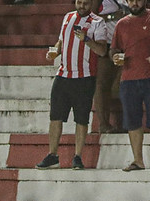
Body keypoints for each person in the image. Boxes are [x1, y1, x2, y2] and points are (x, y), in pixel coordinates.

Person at [36, 0, 106, 170]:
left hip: (84, 77)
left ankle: (77, 156)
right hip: (63, 75)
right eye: (79, 2)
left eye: (85, 3)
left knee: (81, 119)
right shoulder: (68, 17)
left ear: (91, 4)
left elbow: (102, 50)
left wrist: (86, 39)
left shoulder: (98, 22)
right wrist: (55, 51)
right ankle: (53, 154)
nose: (81, 6)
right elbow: (60, 41)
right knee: (55, 116)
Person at [111, 0, 150, 172]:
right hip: (128, 79)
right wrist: (115, 57)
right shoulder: (121, 24)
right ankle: (138, 160)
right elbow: (114, 49)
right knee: (132, 120)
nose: (134, 3)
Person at [94, 0, 127, 134]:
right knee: (102, 84)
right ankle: (104, 123)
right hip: (106, 41)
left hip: (127, 42)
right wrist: (112, 17)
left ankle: (124, 123)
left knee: (121, 84)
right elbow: (88, 17)